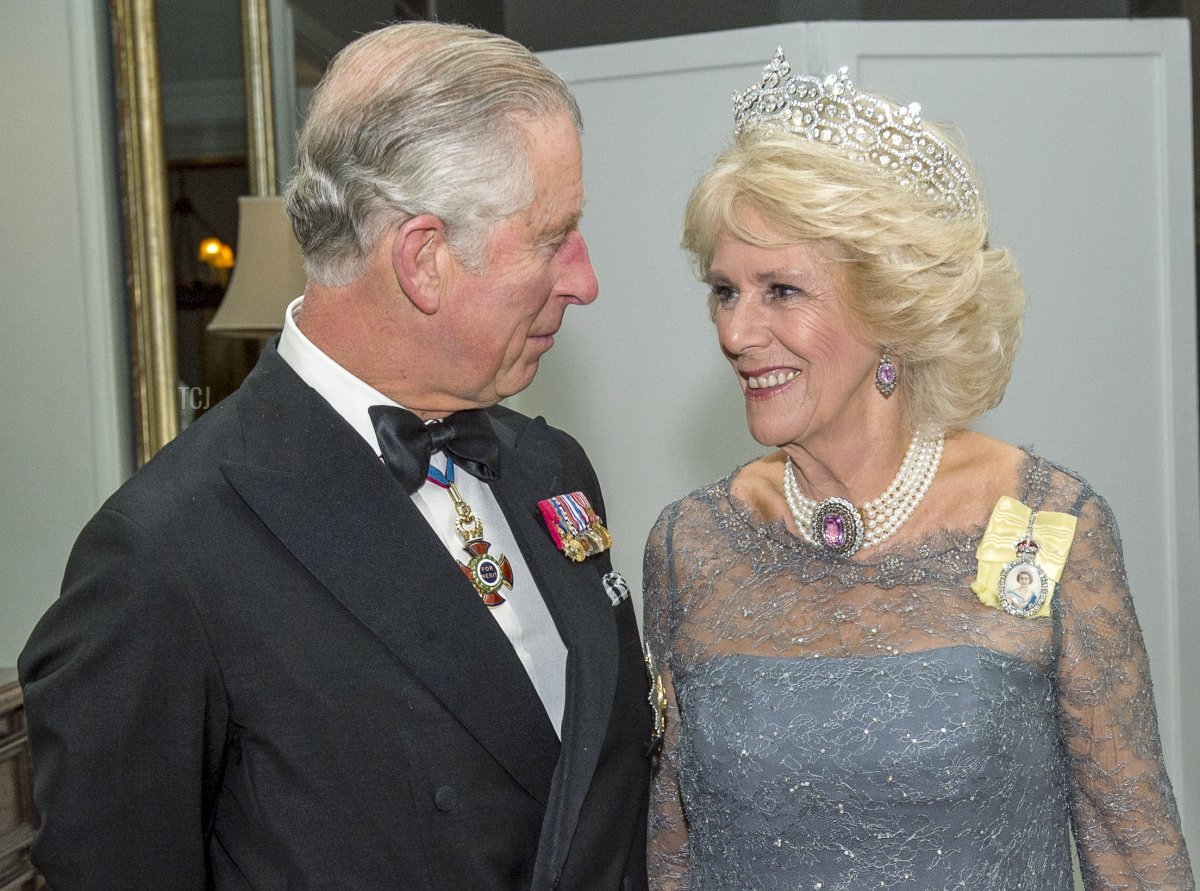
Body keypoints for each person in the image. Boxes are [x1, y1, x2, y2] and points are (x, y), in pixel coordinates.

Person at [19, 22, 652, 890]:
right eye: (553, 238)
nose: (583, 280)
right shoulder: (165, 557)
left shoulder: (552, 468)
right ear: (424, 259)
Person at [643, 51, 1194, 890]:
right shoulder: (691, 543)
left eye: (782, 290)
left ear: (891, 305)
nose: (736, 331)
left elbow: (1133, 851)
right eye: (725, 290)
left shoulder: (1050, 523)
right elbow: (670, 849)